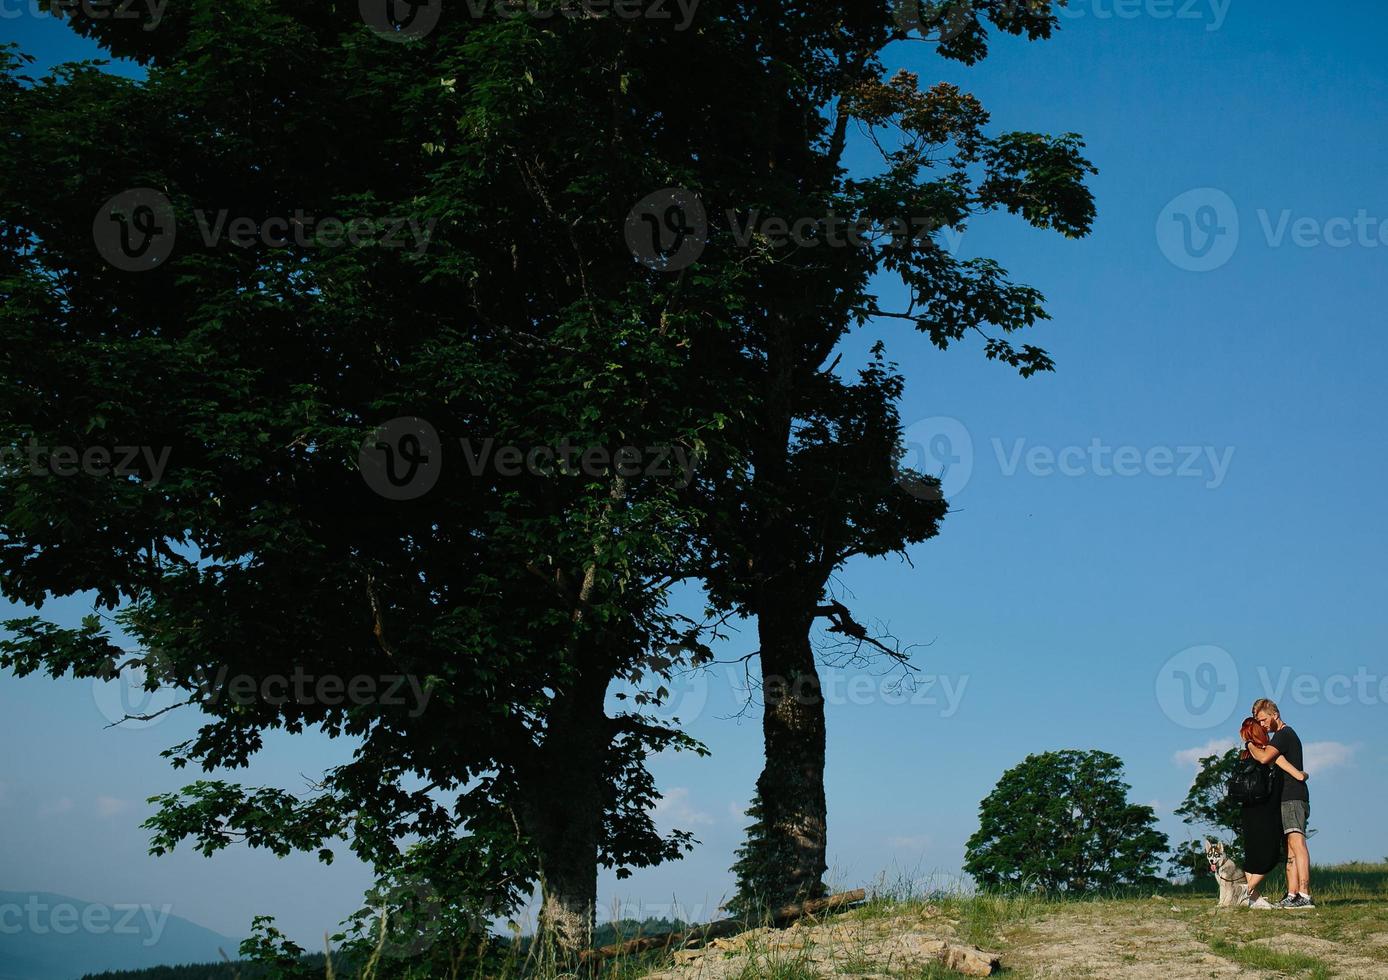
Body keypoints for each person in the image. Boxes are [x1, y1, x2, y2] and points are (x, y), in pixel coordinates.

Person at [1252, 698, 1314, 908]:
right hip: (1289, 796)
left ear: (1274, 715)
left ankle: (1304, 895)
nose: (1262, 725)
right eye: (1258, 722)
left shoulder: (1283, 735)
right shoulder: (1282, 737)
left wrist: (1250, 743)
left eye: (1262, 720)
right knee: (1290, 848)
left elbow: (1263, 758)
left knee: (1298, 844)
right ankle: (1292, 893)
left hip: (1293, 796)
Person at [1236, 717, 1301, 909]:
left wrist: (1248, 744)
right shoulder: (1269, 754)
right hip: (1266, 810)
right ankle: (1245, 892)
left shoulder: (1244, 755)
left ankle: (1252, 898)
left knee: (1252, 858)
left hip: (1248, 810)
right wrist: (1302, 775)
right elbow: (1294, 773)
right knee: (1271, 855)